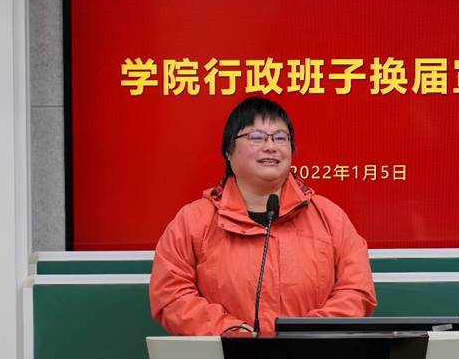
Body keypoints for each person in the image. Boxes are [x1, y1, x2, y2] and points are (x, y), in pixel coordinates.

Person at [149, 97, 377, 335]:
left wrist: (305, 335)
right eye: (256, 137)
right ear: (228, 151)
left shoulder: (330, 218)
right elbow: (171, 294)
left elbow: (357, 290)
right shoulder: (193, 221)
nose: (270, 146)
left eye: (280, 137)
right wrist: (233, 334)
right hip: (228, 351)